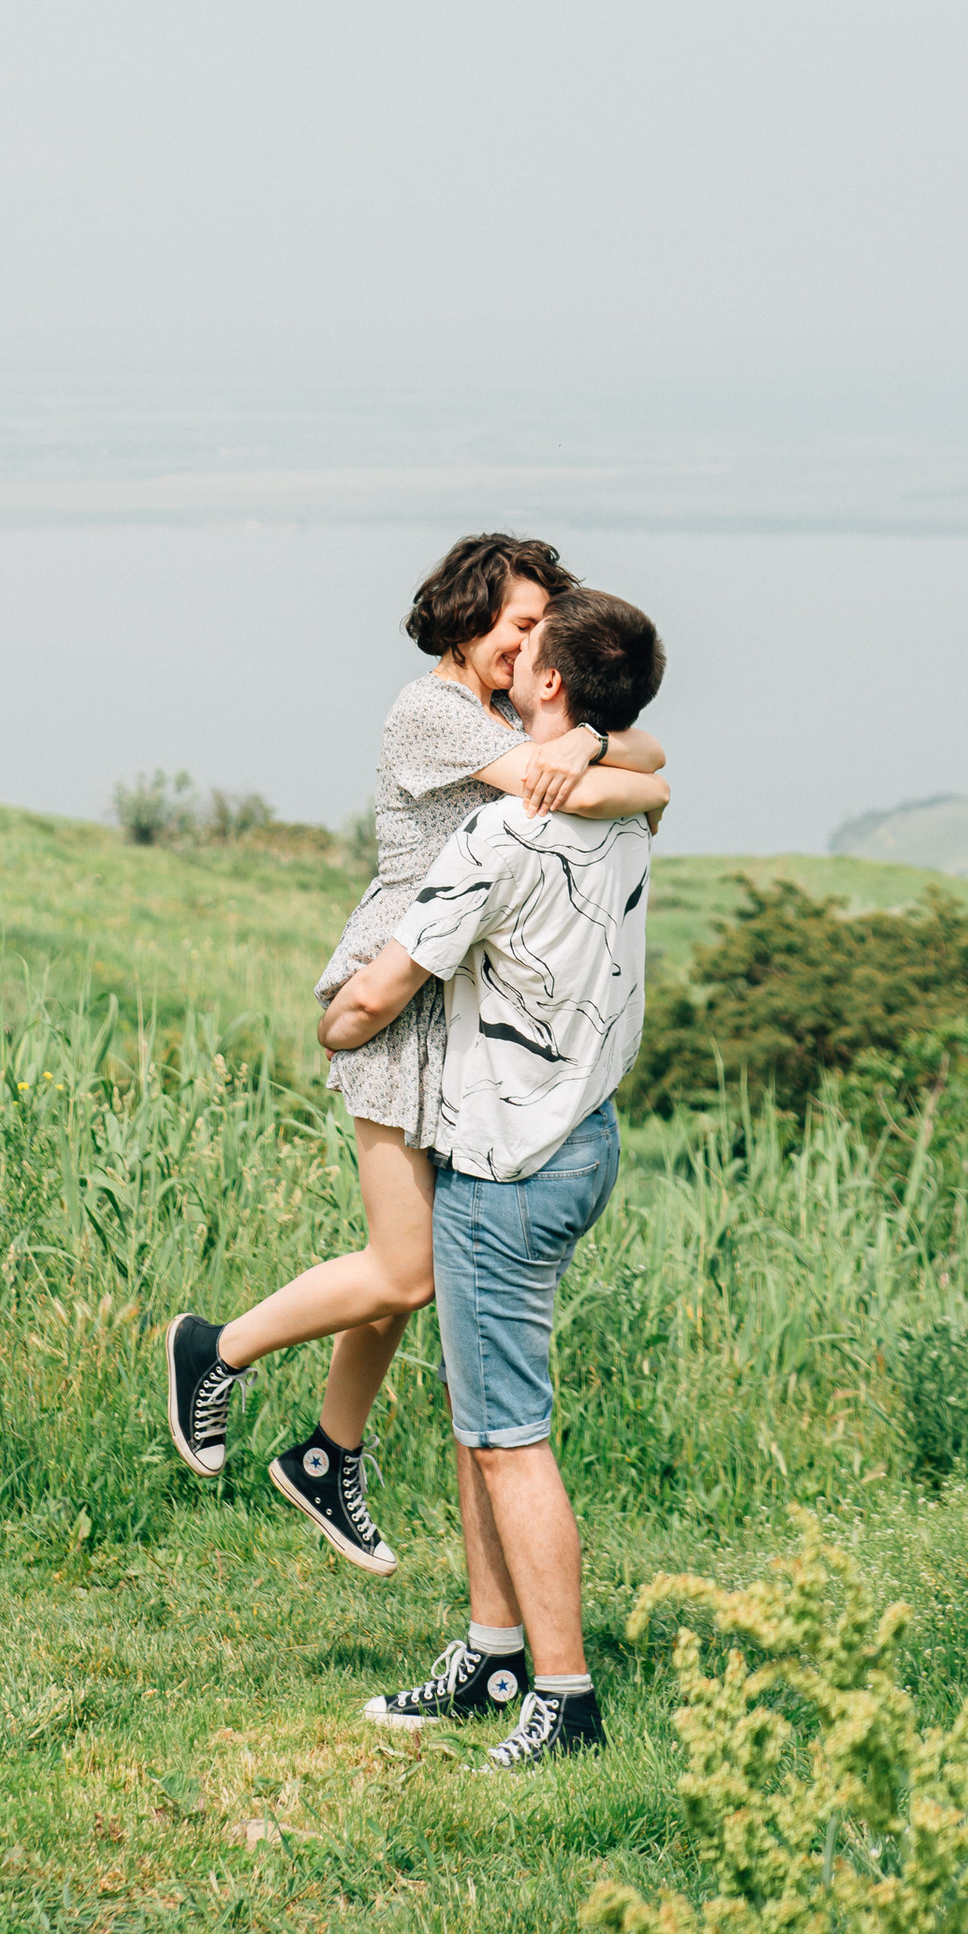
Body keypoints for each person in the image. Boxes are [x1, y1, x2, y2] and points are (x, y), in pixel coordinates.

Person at [162, 533, 666, 1572]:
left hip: (462, 1006)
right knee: (405, 1266)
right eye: (519, 623)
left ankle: (328, 1453)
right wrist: (588, 749)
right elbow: (619, 779)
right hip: (394, 995)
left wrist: (592, 746)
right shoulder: (429, 710)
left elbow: (650, 772)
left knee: (416, 1265)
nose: (530, 642)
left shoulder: (501, 717)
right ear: (469, 614)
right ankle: (216, 1349)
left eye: (542, 631)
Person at [330, 583, 663, 1772]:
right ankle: (490, 1647)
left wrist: (339, 1027)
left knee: (510, 1436)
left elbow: (383, 987)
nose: (514, 658)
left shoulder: (501, 831)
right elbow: (645, 776)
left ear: (555, 688)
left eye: (533, 649)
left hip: (505, 1161)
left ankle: (561, 1691)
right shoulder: (627, 818)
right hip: (583, 1138)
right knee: (480, 1428)